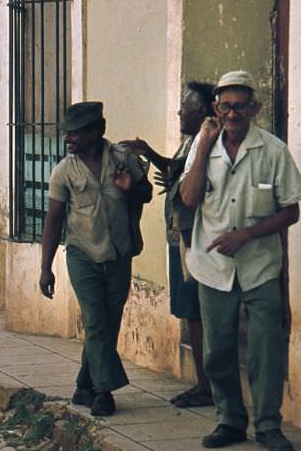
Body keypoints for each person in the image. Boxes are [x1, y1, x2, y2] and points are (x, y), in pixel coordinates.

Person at [180, 71, 301, 451]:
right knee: (217, 350)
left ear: (255, 108)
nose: (232, 113)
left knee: (265, 350)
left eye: (239, 106)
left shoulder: (272, 151)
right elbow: (189, 199)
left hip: (260, 268)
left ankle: (269, 425)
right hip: (213, 268)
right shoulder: (203, 146)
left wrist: (246, 235)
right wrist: (203, 145)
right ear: (215, 109)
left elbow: (291, 212)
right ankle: (230, 420)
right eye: (225, 106)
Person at [39, 101, 153, 416]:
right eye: (67, 133)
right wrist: (46, 268)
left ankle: (83, 385)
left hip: (119, 253)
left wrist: (130, 189)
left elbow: (146, 194)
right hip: (82, 254)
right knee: (95, 320)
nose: (68, 138)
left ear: (96, 131)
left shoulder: (123, 159)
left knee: (107, 323)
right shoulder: (64, 170)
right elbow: (53, 220)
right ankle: (104, 392)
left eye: (76, 133)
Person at [120, 82, 215, 408]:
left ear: (201, 111)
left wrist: (159, 163)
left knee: (197, 312)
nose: (179, 113)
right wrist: (154, 157)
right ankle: (204, 382)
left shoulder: (204, 142)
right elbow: (180, 175)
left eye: (184, 108)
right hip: (180, 238)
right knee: (192, 312)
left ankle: (207, 384)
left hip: (192, 240)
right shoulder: (191, 141)